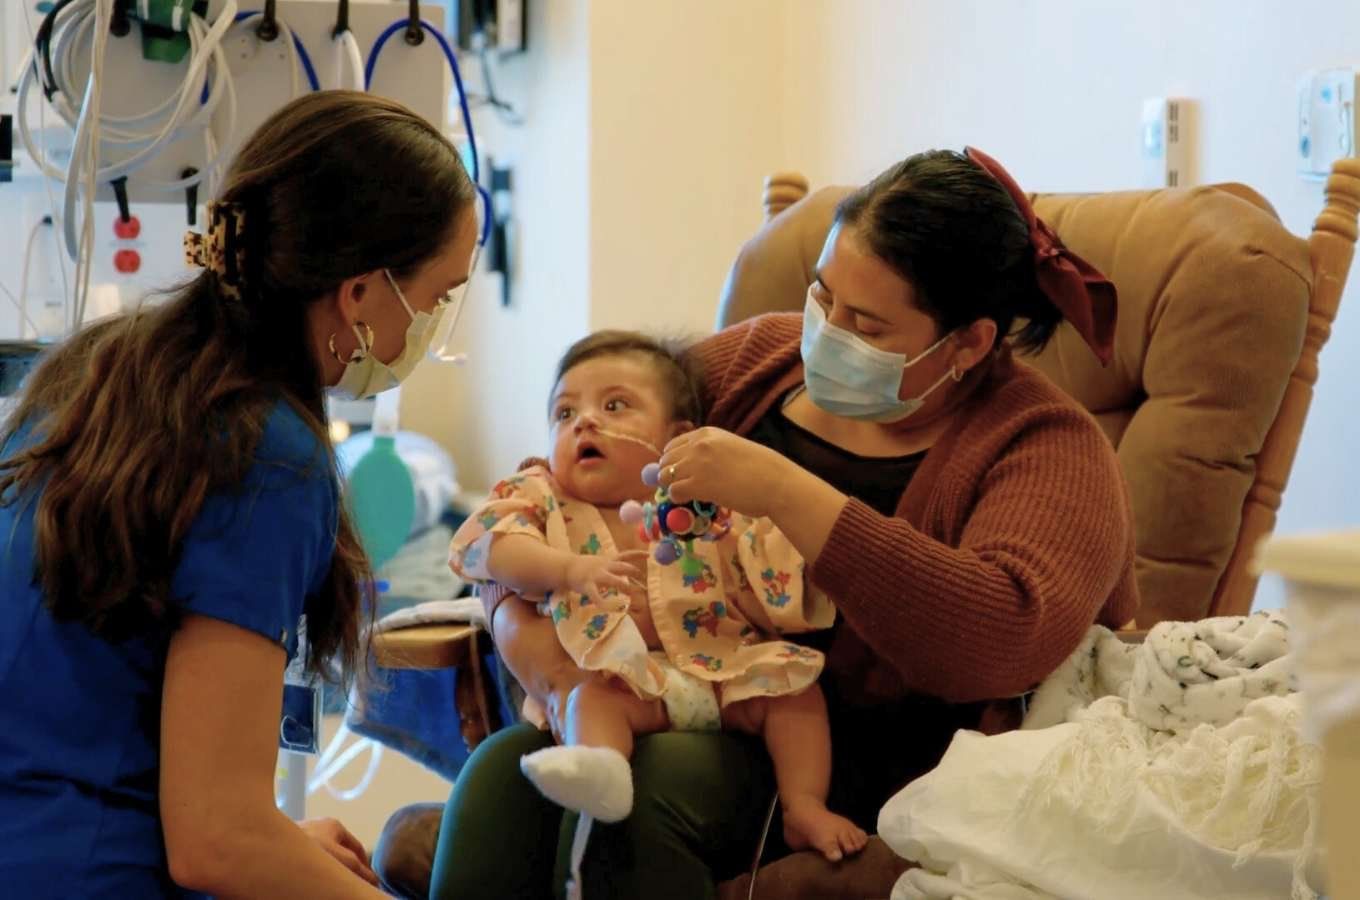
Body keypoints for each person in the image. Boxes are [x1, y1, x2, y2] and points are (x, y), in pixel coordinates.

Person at [422, 146, 1139, 900]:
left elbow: (998, 643)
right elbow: (560, 485)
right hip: (664, 698)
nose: (825, 332)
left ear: (968, 343)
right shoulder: (754, 365)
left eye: (866, 323)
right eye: (821, 296)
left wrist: (785, 492)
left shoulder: (1045, 447)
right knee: (501, 778)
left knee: (654, 785)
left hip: (858, 762)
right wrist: (524, 632)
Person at [0, 90, 479, 898]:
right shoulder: (266, 456)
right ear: (359, 294)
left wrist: (278, 842)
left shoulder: (95, 376)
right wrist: (260, 843)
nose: (428, 329)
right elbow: (216, 841)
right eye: (434, 299)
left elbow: (94, 702)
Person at [447, 331, 867, 866]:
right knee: (587, 702)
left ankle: (803, 806)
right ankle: (602, 774)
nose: (584, 422)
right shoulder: (540, 496)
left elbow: (780, 587)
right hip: (627, 685)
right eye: (564, 412)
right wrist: (567, 569)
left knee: (798, 695)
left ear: (680, 438)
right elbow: (490, 547)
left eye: (614, 405)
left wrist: (749, 552)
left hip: (727, 676)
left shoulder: (711, 505)